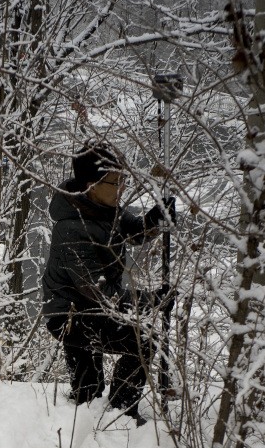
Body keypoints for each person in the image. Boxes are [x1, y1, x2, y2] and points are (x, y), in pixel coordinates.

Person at [42, 142, 171, 423]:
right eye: (115, 182)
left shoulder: (105, 208)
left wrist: (156, 218)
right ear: (91, 184)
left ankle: (112, 411)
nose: (122, 187)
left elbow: (135, 233)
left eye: (123, 181)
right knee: (138, 344)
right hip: (71, 315)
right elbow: (99, 292)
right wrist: (152, 301)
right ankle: (117, 415)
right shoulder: (71, 228)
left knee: (91, 390)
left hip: (92, 308)